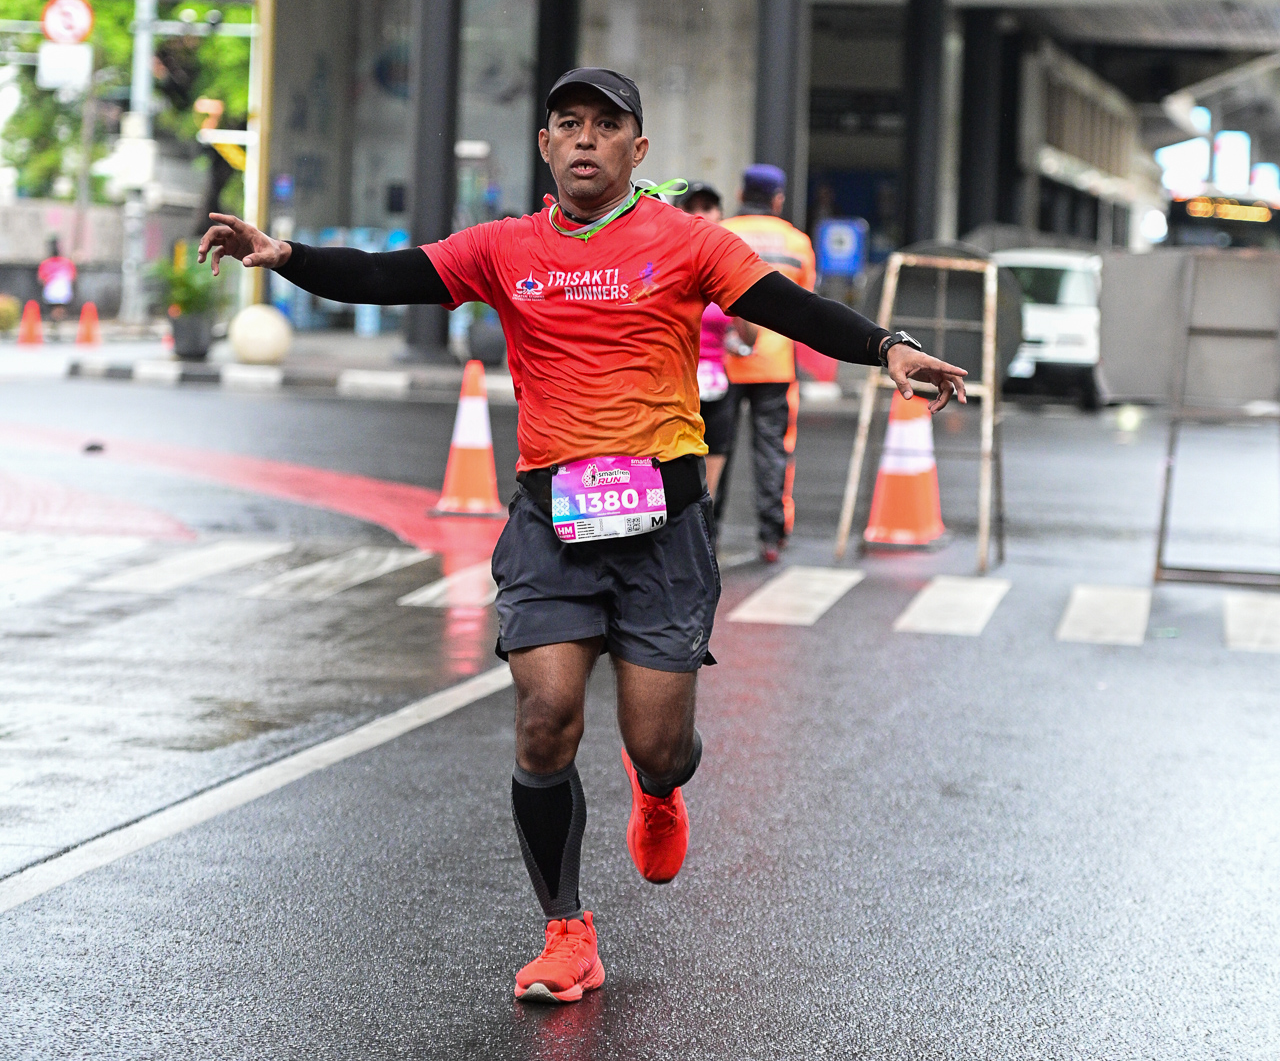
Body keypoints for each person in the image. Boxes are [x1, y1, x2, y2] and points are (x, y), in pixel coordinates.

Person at [198, 67, 967, 1007]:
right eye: (568, 123)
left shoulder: (686, 240)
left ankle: (658, 788)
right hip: (551, 521)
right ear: (546, 145)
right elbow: (390, 275)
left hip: (662, 528)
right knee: (545, 718)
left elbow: (786, 307)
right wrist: (282, 253)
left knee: (660, 744)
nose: (585, 138)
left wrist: (889, 347)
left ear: (637, 150)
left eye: (606, 125)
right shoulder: (504, 247)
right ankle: (566, 932)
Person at [719, 164, 817, 561]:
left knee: (713, 449)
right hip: (775, 364)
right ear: (778, 199)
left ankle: (706, 531)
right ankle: (772, 536)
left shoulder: (720, 232)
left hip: (723, 362)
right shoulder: (797, 242)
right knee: (773, 449)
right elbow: (805, 302)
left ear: (741, 193)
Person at [679, 184, 757, 509]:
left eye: (708, 208)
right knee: (674, 487)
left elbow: (751, 338)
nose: (701, 215)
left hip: (717, 387)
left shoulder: (727, 266)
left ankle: (709, 534)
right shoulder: (667, 263)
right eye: (692, 208)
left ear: (721, 215)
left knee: (707, 495)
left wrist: (741, 299)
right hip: (675, 388)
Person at [37, 238, 77, 330]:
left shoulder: (47, 263)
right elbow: (73, 276)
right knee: (58, 306)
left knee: (56, 306)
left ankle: (56, 321)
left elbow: (41, 278)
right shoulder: (66, 262)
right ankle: (56, 320)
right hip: (61, 286)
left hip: (54, 286)